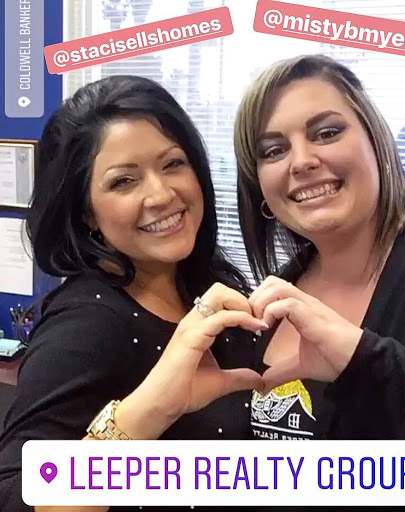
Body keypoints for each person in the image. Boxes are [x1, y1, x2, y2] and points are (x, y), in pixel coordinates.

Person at [0, 75, 269, 512]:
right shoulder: (86, 325)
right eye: (124, 182)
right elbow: (17, 495)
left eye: (173, 164)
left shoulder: (209, 286)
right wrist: (148, 411)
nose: (161, 195)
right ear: (87, 211)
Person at [234, 54, 405, 507]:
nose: (302, 161)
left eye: (327, 133)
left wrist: (361, 359)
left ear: (375, 139)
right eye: (274, 151)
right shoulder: (277, 294)